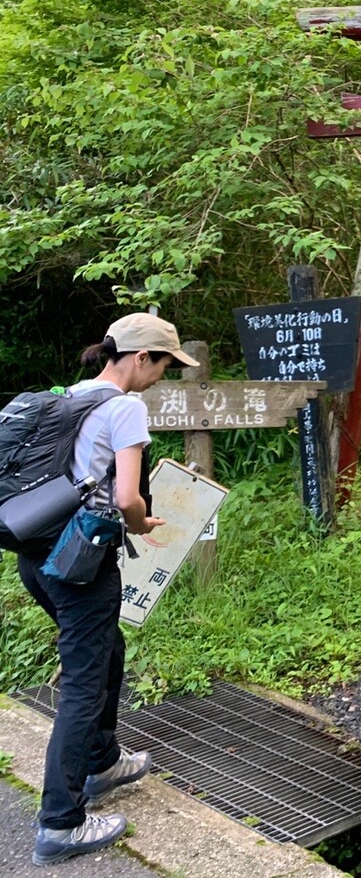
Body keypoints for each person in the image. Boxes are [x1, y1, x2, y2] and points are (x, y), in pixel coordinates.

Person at [19, 313, 197, 866]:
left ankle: (103, 761)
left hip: (36, 556)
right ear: (141, 358)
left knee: (106, 650)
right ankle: (61, 823)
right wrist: (141, 524)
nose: (162, 376)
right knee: (84, 682)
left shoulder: (68, 397)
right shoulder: (125, 407)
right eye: (163, 365)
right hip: (81, 565)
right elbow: (126, 498)